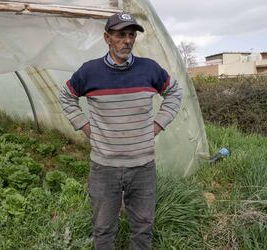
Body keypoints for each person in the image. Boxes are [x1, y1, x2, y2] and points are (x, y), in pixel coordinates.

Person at [59, 12, 182, 250]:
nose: (127, 40)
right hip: (104, 167)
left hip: (143, 166)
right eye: (121, 35)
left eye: (131, 35)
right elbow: (66, 96)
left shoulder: (149, 69)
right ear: (107, 38)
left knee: (143, 227)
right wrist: (85, 126)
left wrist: (157, 125)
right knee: (103, 229)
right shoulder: (89, 72)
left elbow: (174, 93)